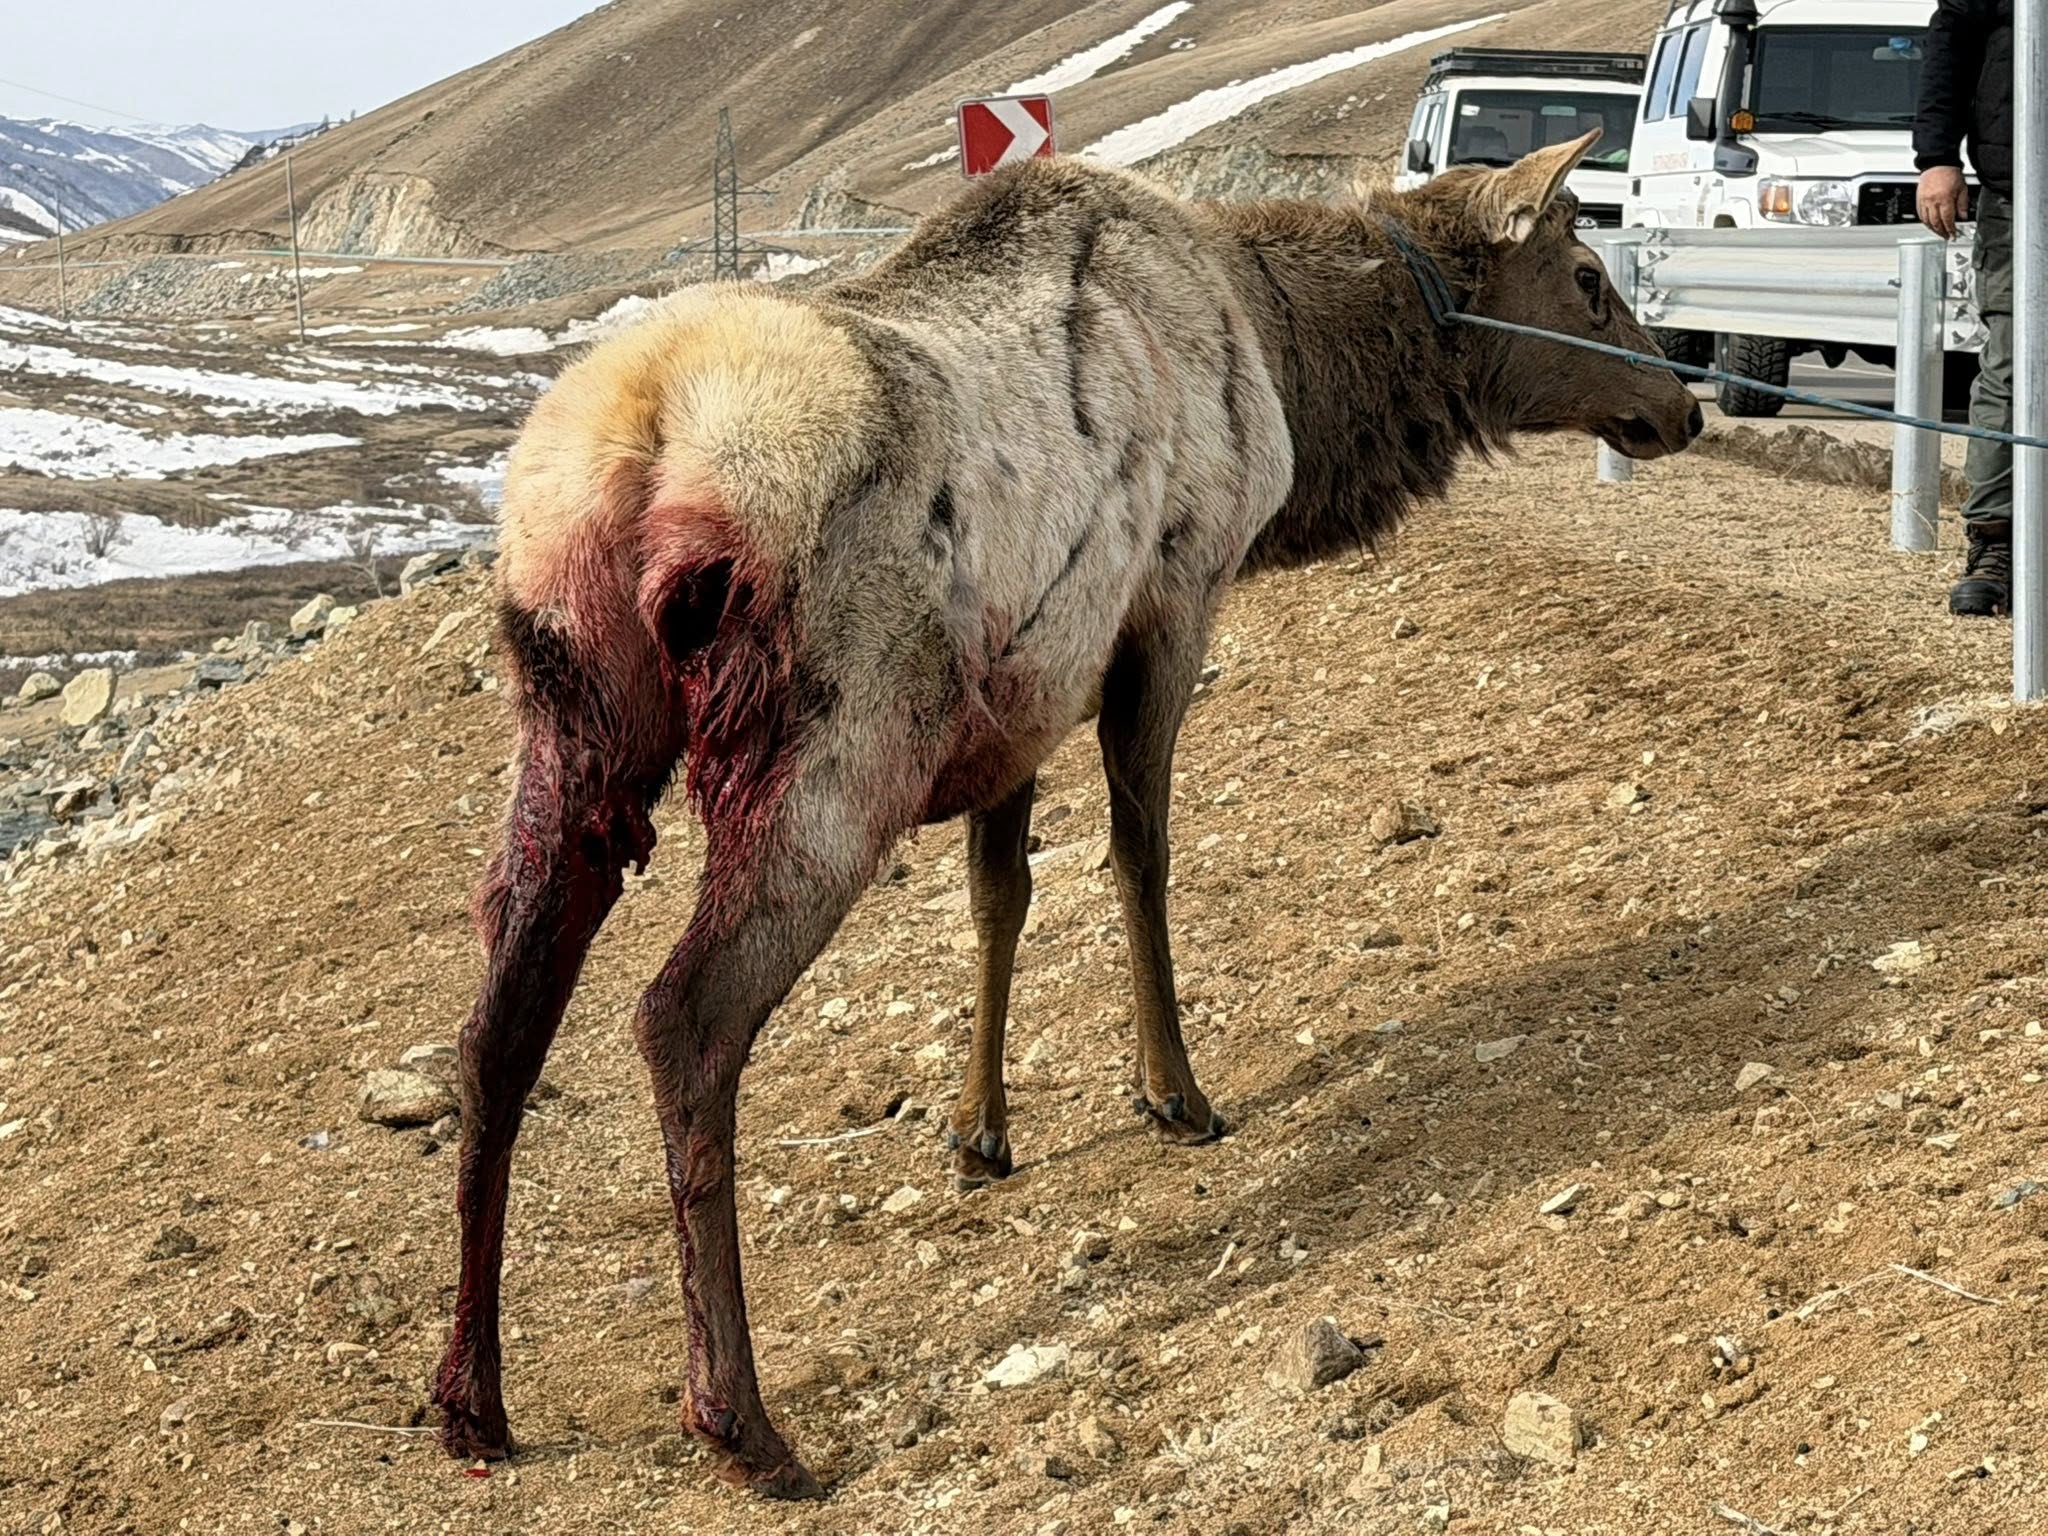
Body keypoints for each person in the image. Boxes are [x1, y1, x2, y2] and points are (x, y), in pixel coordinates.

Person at [1915, 1, 2015, 617]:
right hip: (2021, 191)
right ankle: (1996, 543)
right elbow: (1951, 39)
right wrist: (1937, 157)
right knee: (2013, 370)